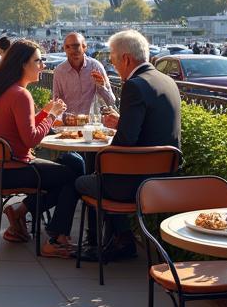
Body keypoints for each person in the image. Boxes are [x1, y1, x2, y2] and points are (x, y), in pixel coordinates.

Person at [73, 29, 181, 262]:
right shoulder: (167, 81)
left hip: (135, 182)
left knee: (86, 179)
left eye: (112, 60)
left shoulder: (135, 85)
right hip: (163, 178)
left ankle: (116, 240)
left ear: (125, 59)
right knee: (103, 174)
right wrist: (123, 122)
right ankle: (121, 239)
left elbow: (125, 142)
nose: (112, 66)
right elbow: (152, 129)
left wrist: (111, 140)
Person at [0, 40, 77, 257]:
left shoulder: (1, 90)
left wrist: (43, 114)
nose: (42, 66)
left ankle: (20, 213)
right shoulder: (20, 94)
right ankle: (56, 238)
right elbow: (31, 139)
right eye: (38, 61)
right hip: (12, 170)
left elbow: (18, 129)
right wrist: (51, 116)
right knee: (73, 176)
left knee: (73, 162)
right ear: (23, 64)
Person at [52, 32, 116, 117]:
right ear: (64, 49)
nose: (72, 50)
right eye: (68, 47)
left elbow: (111, 102)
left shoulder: (96, 66)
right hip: (69, 125)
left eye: (76, 46)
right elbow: (56, 102)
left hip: (92, 125)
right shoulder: (59, 71)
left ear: (84, 47)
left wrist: (102, 87)